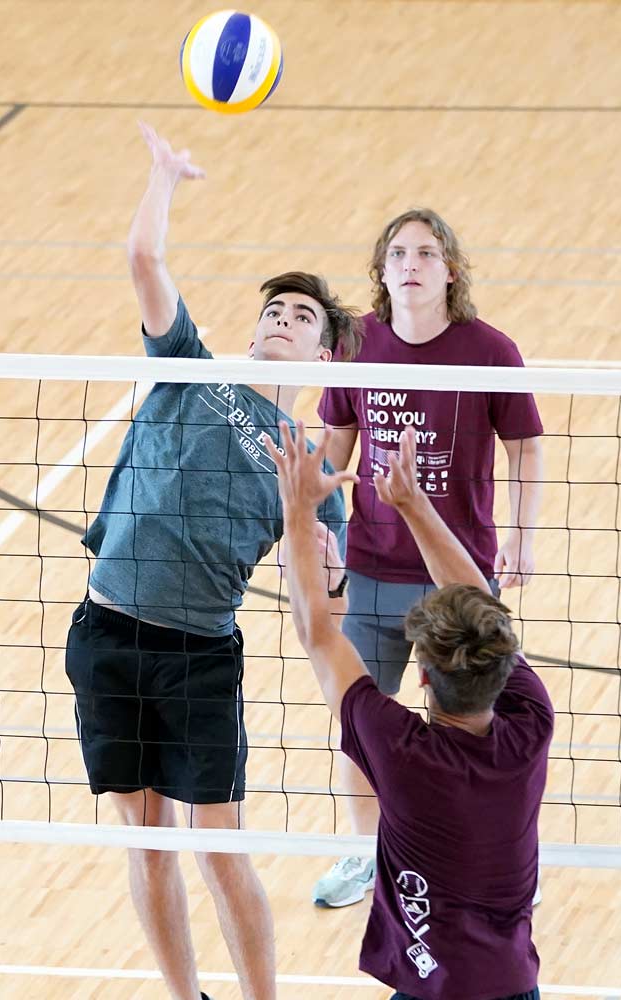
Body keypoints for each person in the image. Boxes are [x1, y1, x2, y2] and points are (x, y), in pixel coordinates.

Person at [63, 122, 357, 1000]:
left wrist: (326, 550)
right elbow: (144, 260)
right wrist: (163, 177)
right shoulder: (192, 365)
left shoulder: (310, 461)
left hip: (197, 657)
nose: (281, 320)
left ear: (325, 356)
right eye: (274, 309)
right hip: (107, 629)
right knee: (146, 842)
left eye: (301, 318)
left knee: (219, 849)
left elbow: (325, 601)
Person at [265, 422, 552, 1000]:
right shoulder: (530, 724)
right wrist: (416, 505)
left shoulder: (400, 748)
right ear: (499, 669)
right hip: (515, 986)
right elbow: (484, 608)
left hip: (431, 990)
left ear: (420, 676)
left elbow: (317, 634)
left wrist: (297, 512)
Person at [312, 208, 547, 906]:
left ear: (450, 270)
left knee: (477, 727)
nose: (410, 264)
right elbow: (336, 445)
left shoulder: (490, 352)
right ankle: (367, 855)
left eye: (425, 252)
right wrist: (313, 528)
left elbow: (526, 445)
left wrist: (523, 535)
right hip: (371, 568)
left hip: (456, 582)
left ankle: (488, 858)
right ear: (382, 273)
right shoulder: (359, 346)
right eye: (397, 254)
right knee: (359, 721)